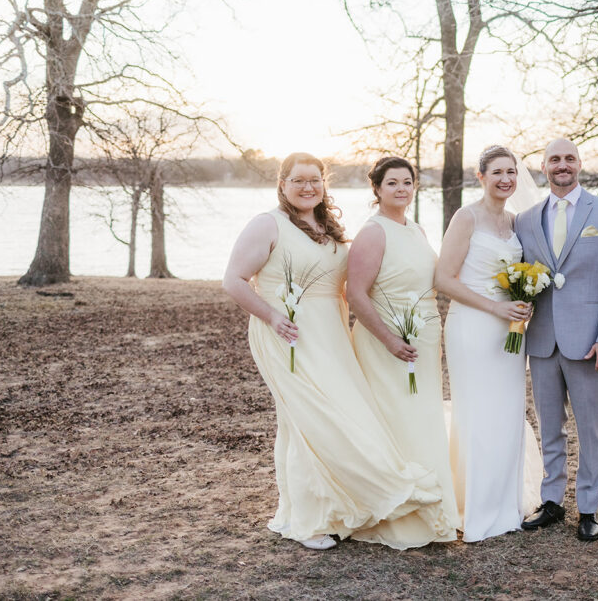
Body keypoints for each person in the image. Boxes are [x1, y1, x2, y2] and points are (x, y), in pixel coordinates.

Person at [222, 152, 455, 551]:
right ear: (282, 184)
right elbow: (234, 280)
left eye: (315, 179)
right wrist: (272, 316)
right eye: (298, 180)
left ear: (323, 184)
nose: (307, 186)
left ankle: (334, 505)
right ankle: (308, 520)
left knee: (338, 417)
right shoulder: (268, 224)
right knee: (310, 420)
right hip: (288, 333)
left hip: (330, 333)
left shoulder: (326, 227)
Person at [515, 138, 598, 541]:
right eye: (554, 159)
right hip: (543, 340)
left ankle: (588, 507)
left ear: (580, 164)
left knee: (589, 428)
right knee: (550, 426)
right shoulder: (525, 219)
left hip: (589, 343)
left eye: (569, 158)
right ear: (544, 167)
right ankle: (552, 500)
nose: (562, 165)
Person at [347, 156, 459, 543]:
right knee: (398, 416)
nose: (401, 189)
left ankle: (431, 503)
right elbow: (355, 294)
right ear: (376, 188)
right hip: (387, 342)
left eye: (407, 182)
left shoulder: (416, 229)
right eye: (392, 182)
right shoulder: (373, 232)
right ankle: (398, 510)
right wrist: (391, 340)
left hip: (423, 341)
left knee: (422, 415)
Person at [435, 145, 542, 542]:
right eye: (497, 172)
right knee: (478, 414)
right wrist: (495, 309)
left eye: (511, 172)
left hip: (510, 331)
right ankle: (477, 511)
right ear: (480, 176)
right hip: (473, 327)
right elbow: (444, 279)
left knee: (508, 413)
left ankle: (505, 507)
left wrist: (522, 302)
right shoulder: (466, 218)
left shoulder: (516, 222)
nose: (506, 179)